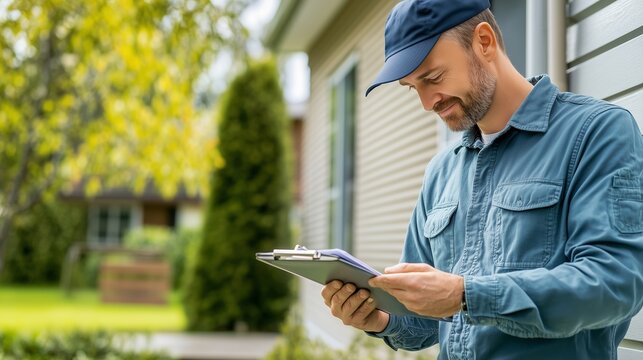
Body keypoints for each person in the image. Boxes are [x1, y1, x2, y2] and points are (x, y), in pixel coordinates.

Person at [320, 0, 643, 358]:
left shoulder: (596, 133)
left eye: (432, 78)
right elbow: (427, 321)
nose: (427, 103)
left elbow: (616, 284)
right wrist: (377, 318)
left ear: (485, 42)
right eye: (413, 88)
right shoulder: (442, 171)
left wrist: (465, 295)